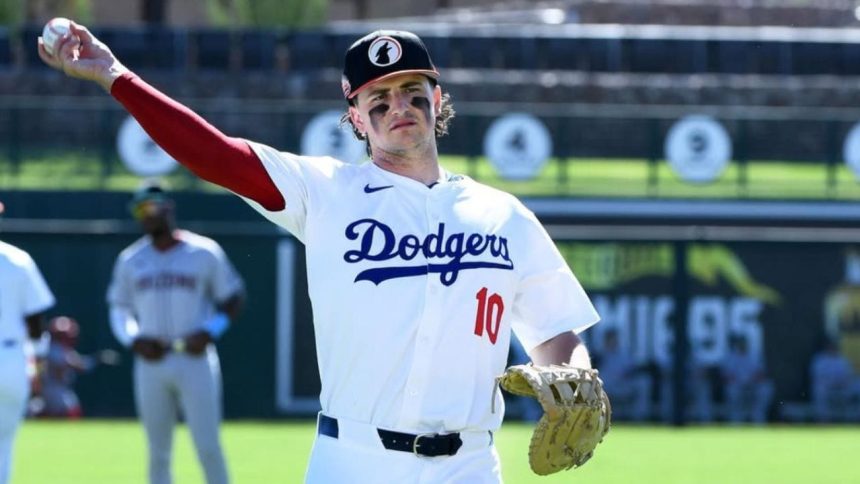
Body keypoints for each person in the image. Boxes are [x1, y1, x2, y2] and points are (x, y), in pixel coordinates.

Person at [40, 25, 600, 482]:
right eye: (377, 98)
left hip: (470, 465)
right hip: (353, 461)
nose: (398, 105)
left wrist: (575, 376)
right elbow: (217, 155)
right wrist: (115, 76)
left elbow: (557, 333)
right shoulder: (325, 192)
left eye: (412, 91)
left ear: (438, 99)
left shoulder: (503, 215)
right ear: (355, 117)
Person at [105, 182, 245, 484]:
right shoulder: (130, 260)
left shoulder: (203, 252)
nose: (146, 215)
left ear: (168, 207)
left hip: (194, 357)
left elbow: (233, 297)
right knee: (158, 451)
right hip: (151, 360)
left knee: (207, 446)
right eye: (140, 210)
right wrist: (133, 339)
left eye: (151, 207)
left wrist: (210, 331)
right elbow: (119, 308)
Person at [0, 200, 56, 484]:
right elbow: (36, 323)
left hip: (11, 359)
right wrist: (38, 365)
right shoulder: (17, 259)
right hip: (10, 360)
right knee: (3, 448)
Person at [31, 316, 120, 418]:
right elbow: (80, 365)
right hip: (53, 389)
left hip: (51, 389)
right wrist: (98, 358)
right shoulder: (55, 349)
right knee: (69, 408)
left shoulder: (51, 348)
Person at [594, 328, 651, 421]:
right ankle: (600, 418)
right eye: (610, 339)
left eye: (614, 339)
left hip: (623, 384)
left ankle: (640, 418)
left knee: (643, 383)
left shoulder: (624, 355)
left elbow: (633, 368)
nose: (613, 341)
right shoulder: (600, 355)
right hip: (606, 387)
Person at [719, 334, 773, 424]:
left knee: (766, 388)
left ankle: (758, 416)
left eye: (744, 342)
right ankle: (735, 419)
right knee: (731, 390)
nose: (742, 344)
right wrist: (739, 382)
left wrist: (750, 381)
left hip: (753, 386)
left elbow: (762, 374)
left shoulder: (755, 355)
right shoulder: (730, 356)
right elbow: (725, 376)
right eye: (740, 342)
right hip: (737, 386)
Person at [809, 339, 860, 422]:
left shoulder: (842, 360)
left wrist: (843, 382)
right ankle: (823, 417)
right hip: (827, 387)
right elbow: (817, 376)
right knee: (819, 389)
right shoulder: (820, 359)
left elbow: (849, 375)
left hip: (843, 386)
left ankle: (855, 417)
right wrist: (832, 382)